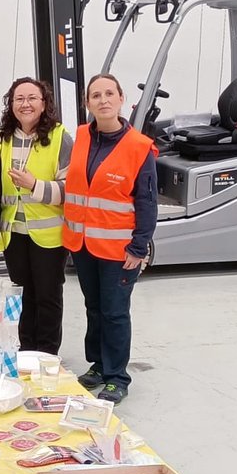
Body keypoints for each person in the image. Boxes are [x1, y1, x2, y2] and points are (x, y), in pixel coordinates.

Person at [62, 73, 158, 403]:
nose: (103, 100)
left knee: (115, 312)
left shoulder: (138, 147)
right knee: (94, 307)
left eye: (109, 94)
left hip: (120, 248)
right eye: (96, 95)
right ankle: (99, 366)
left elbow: (147, 201)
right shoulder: (82, 138)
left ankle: (118, 376)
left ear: (120, 99)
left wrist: (139, 246)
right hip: (84, 245)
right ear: (87, 103)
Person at [0, 77, 72, 355]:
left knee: (48, 296)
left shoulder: (60, 138)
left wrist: (35, 185)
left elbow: (70, 190)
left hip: (49, 236)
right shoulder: (1, 139)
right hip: (14, 233)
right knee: (24, 295)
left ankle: (47, 354)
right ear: (11, 104)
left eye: (32, 98)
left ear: (44, 103)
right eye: (19, 99)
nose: (25, 104)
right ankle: (27, 351)